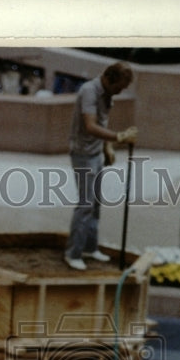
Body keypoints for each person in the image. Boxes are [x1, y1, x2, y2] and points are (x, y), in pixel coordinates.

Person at [65, 61, 138, 271]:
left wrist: (107, 147)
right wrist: (119, 137)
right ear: (109, 79)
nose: (120, 91)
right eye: (120, 87)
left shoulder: (108, 94)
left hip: (95, 153)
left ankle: (89, 247)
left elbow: (102, 122)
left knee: (95, 204)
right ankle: (73, 253)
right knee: (85, 204)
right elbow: (90, 126)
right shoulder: (89, 91)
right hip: (82, 154)